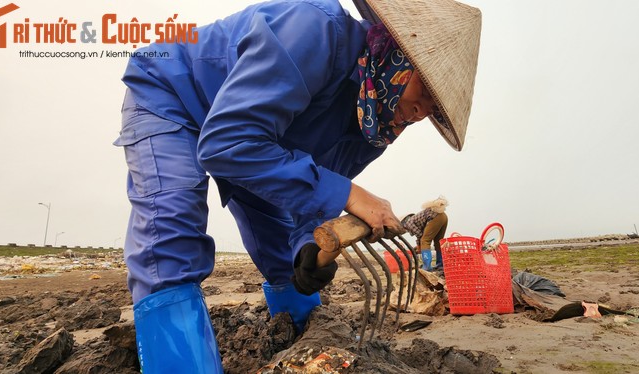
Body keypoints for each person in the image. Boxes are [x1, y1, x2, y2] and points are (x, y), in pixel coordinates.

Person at [113, 0, 481, 371]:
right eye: (425, 92)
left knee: (283, 256)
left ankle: (308, 344)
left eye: (433, 110)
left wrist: (308, 244)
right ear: (399, 53)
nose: (421, 112)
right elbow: (228, 144)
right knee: (173, 232)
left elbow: (310, 188)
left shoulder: (374, 125)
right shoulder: (316, 32)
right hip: (173, 91)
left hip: (253, 141)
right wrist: (351, 195)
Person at [402, 196, 449, 271]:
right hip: (443, 217)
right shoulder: (415, 220)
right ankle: (440, 265)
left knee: (425, 240)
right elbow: (420, 234)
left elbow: (421, 236)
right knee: (438, 242)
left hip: (435, 216)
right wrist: (419, 246)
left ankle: (427, 266)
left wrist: (421, 247)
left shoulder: (408, 223)